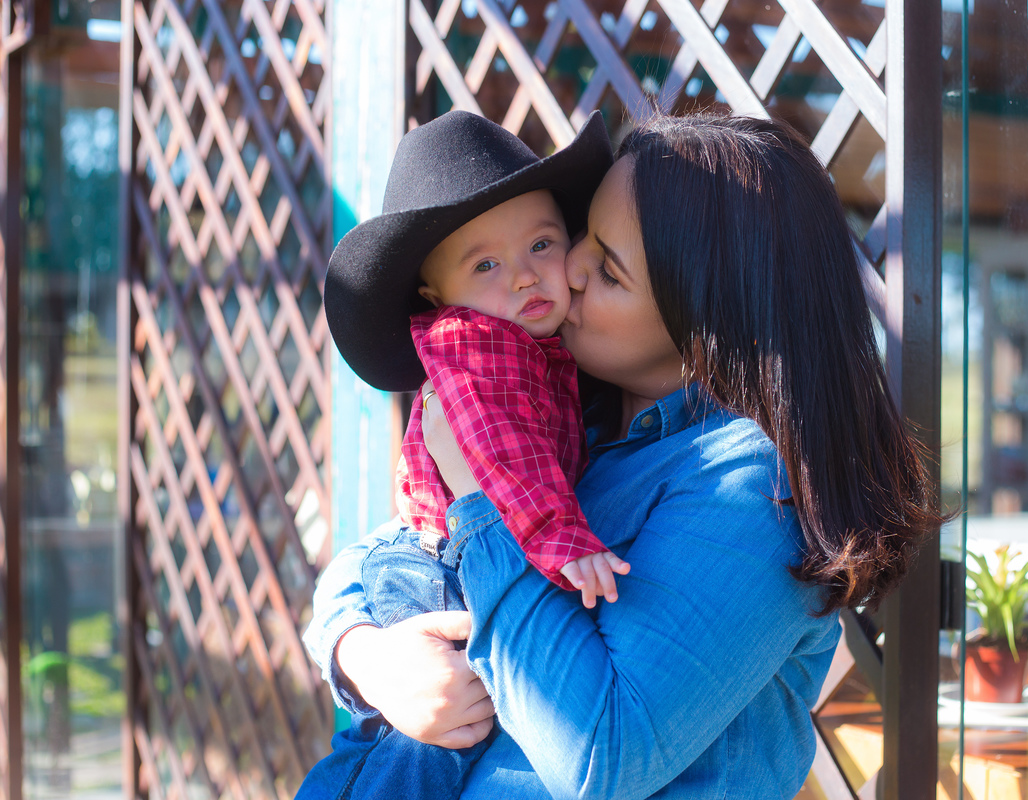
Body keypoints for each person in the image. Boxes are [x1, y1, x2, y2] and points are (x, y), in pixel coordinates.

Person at [305, 111, 947, 799]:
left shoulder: (753, 485)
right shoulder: (573, 410)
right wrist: (369, 658)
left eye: (607, 268)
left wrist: (479, 494)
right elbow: (373, 560)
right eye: (582, 236)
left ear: (706, 314)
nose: (568, 270)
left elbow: (601, 754)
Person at [304, 109, 626, 798]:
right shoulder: (473, 345)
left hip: (455, 555)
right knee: (436, 741)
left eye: (542, 245)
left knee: (416, 738)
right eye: (485, 263)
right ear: (435, 296)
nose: (523, 277)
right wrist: (563, 538)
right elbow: (500, 453)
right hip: (440, 569)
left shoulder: (547, 353)